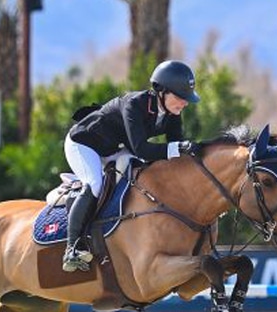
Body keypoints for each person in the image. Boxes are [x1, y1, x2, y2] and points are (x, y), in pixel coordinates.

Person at [60, 59, 201, 272]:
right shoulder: (134, 105)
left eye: (186, 98)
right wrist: (179, 148)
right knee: (94, 184)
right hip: (84, 144)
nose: (185, 103)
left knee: (143, 175)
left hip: (115, 148)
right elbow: (142, 149)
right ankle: (72, 248)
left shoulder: (172, 114)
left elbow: (175, 151)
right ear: (161, 91)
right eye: (181, 97)